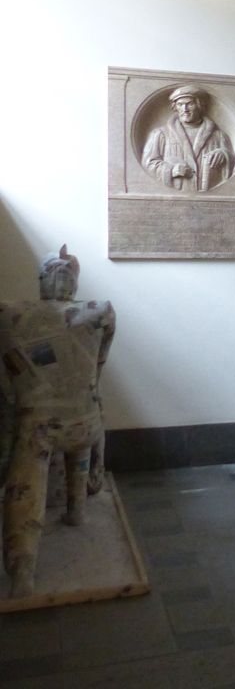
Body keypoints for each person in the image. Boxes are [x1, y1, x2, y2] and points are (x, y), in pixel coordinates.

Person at [0, 246, 115, 598]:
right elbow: (96, 368)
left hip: (38, 426)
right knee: (79, 427)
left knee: (25, 488)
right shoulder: (100, 312)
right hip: (85, 422)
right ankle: (76, 510)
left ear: (43, 280)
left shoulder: (8, 312)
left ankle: (22, 572)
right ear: (73, 282)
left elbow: (7, 380)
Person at [141, 84, 235, 192]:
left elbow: (233, 161)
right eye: (180, 105)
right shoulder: (161, 134)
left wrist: (223, 155)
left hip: (208, 195)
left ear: (199, 105)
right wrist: (172, 170)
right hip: (174, 195)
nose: (185, 109)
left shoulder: (218, 135)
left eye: (189, 104)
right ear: (175, 107)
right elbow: (148, 164)